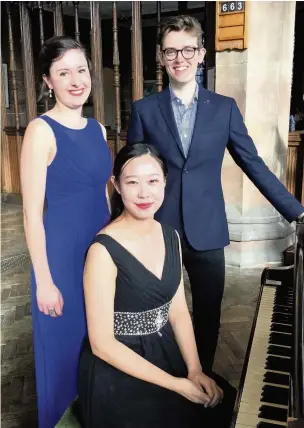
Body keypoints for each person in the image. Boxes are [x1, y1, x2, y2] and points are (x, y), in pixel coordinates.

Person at [127, 15, 304, 373]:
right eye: (171, 51)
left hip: (208, 232)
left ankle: (202, 379)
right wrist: (123, 228)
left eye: (188, 49)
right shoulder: (144, 110)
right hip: (160, 233)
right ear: (160, 58)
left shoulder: (223, 109)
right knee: (158, 314)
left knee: (208, 315)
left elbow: (253, 164)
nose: (180, 58)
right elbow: (133, 173)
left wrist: (298, 212)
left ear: (202, 53)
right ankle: (165, 383)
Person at [78, 143, 236, 427]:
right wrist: (176, 385)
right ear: (116, 185)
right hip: (116, 368)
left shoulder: (170, 236)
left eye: (153, 181)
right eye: (132, 182)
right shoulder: (102, 251)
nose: (144, 193)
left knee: (225, 405)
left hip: (163, 351)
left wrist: (195, 370)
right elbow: (101, 344)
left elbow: (177, 313)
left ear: (165, 182)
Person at [20, 36, 112, 427]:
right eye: (63, 73)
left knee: (100, 351)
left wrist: (115, 257)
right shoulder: (40, 131)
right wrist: (44, 280)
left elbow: (105, 202)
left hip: (98, 256)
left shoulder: (100, 129)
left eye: (81, 69)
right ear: (47, 81)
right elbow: (30, 213)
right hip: (58, 260)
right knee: (63, 359)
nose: (76, 80)